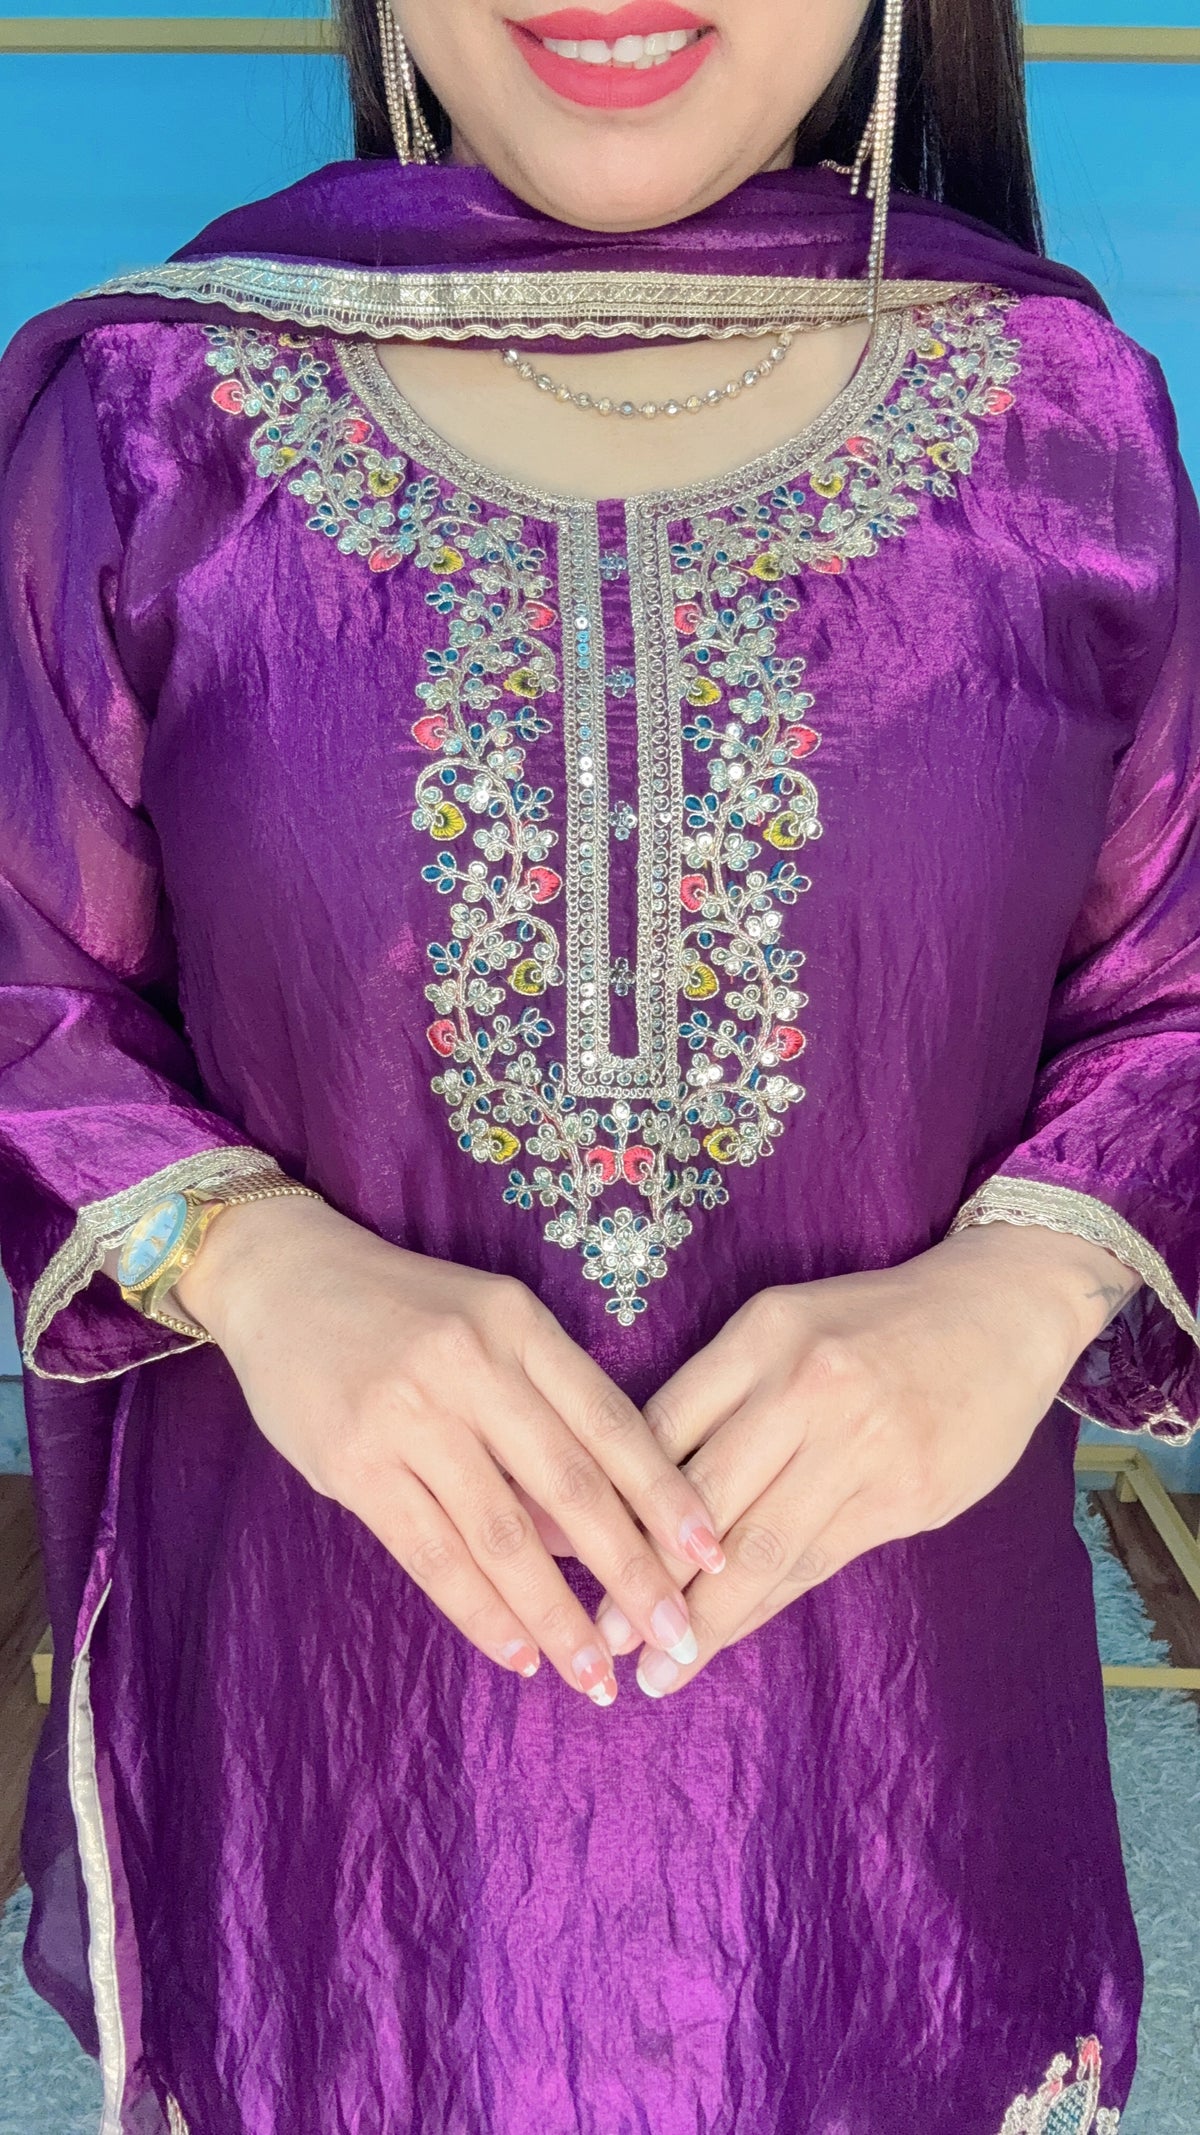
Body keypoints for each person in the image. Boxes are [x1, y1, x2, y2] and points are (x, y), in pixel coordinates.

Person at [1, 1, 1197, 2128]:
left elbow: (1176, 995)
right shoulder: (156, 415)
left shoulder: (1066, 428)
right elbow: (27, 978)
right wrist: (252, 1262)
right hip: (347, 1803)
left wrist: (1021, 1289)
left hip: (895, 1788)